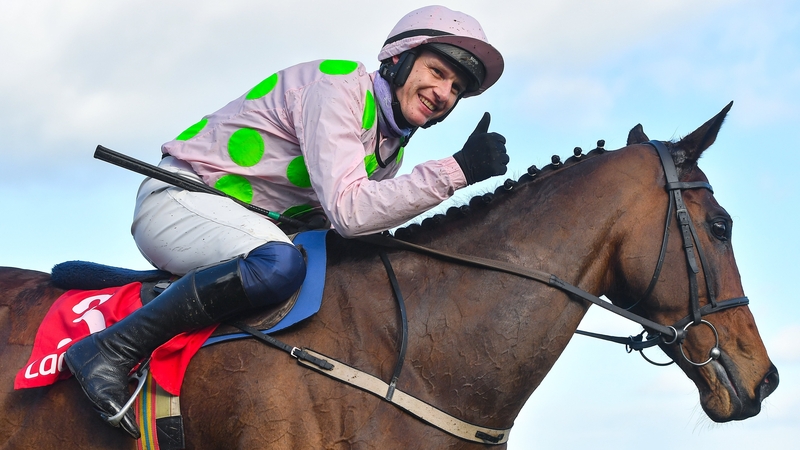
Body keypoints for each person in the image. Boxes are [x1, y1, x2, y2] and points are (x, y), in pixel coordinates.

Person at [64, 5, 508, 439]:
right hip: (180, 199)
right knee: (278, 265)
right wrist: (457, 171)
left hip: (246, 227)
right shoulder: (337, 87)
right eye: (437, 71)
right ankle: (108, 350)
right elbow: (351, 213)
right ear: (398, 58)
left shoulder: (390, 147)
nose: (444, 92)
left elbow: (354, 231)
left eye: (455, 88)